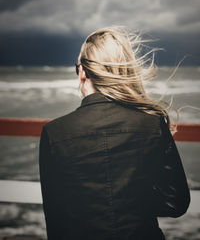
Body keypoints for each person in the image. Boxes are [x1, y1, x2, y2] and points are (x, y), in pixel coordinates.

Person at [39, 27, 190, 240]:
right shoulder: (153, 123)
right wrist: (130, 200)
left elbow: (56, 219)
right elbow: (176, 203)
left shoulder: (54, 132)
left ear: (82, 72)